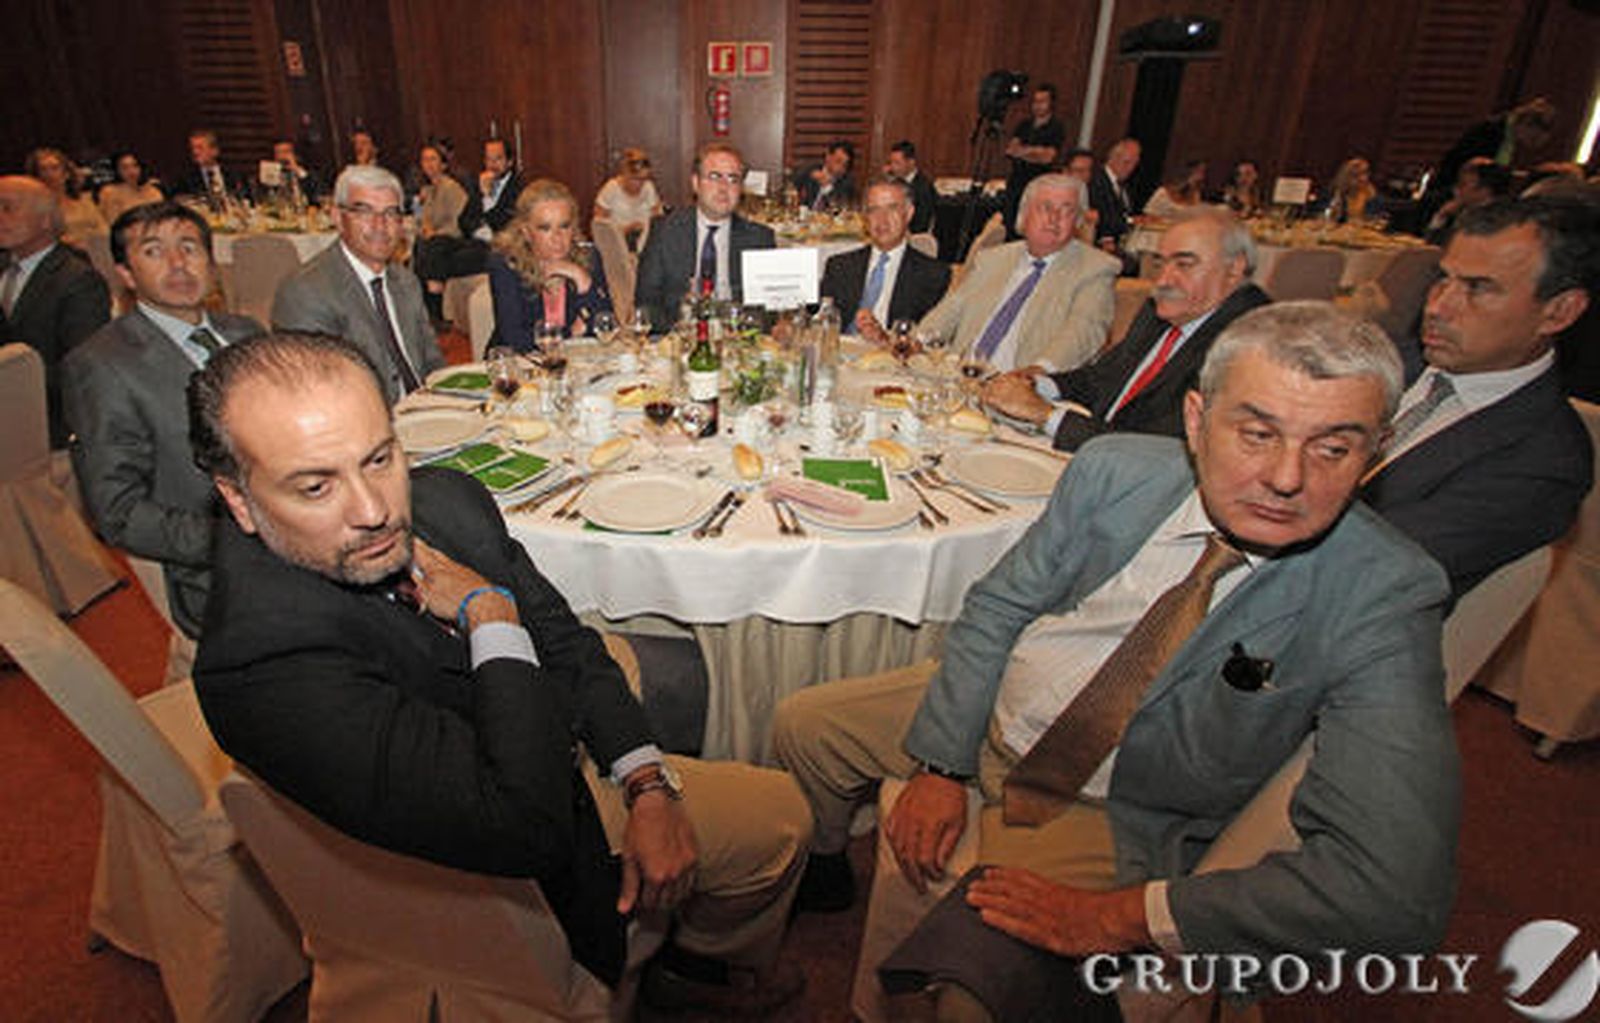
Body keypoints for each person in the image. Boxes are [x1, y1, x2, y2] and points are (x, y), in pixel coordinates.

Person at [773, 301, 1458, 1022]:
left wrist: (1125, 917)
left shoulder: (1383, 592)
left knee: (974, 1003)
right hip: (998, 701)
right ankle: (826, 878)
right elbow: (1000, 607)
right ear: (1196, 421)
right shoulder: (1114, 470)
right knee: (802, 726)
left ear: (1374, 453)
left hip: (1101, 799)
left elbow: (1397, 892)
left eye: (1332, 449)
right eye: (1257, 433)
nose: (1287, 477)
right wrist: (943, 762)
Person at [187, 332, 811, 1013]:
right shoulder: (264, 662)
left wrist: (646, 780)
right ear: (240, 500)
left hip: (555, 757)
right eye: (315, 485)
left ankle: (687, 954)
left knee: (771, 797)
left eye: (379, 457)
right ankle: (648, 965)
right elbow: (526, 825)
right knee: (776, 821)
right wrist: (491, 615)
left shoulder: (447, 500)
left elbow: (567, 642)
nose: (373, 511)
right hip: (510, 874)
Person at [1362, 196, 1595, 600]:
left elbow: (1367, 564)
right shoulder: (1391, 358)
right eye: (1442, 279)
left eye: (1478, 289)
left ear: (1559, 312)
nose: (1437, 307)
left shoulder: (1545, 461)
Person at [62, 202, 264, 650]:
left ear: (211, 263)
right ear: (127, 274)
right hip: (220, 570)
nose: (178, 264)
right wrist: (243, 538)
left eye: (189, 248)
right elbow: (119, 513)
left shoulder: (246, 332)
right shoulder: (102, 365)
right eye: (154, 252)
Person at [981, 207, 1270, 451]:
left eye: (1184, 264)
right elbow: (1103, 377)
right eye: (1161, 263)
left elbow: (1162, 450)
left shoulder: (1247, 345)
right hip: (1092, 453)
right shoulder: (1164, 310)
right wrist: (1036, 384)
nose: (1163, 281)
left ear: (1234, 269)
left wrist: (1045, 415)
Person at [270, 165, 443, 400]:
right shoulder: (305, 292)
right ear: (338, 218)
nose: (380, 225)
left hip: (426, 414)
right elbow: (316, 395)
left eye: (391, 213)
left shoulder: (406, 281)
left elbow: (433, 362)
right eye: (364, 211)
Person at [916, 173, 1116, 373]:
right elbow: (953, 308)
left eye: (1067, 210)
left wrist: (1038, 371)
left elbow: (1083, 331)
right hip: (960, 374)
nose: (1054, 218)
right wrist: (917, 340)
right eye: (1045, 207)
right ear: (1024, 214)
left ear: (1078, 221)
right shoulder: (993, 258)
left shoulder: (1095, 268)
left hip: (1018, 384)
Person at [0, 175, 111, 448]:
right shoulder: (4, 266)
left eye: (7, 208)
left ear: (46, 220)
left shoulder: (77, 280)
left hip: (47, 424)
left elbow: (80, 370)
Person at [636, 142, 776, 331]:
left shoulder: (759, 238)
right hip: (679, 338)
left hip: (736, 342)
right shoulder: (665, 231)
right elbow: (646, 300)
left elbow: (768, 310)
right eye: (715, 176)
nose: (724, 187)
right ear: (696, 183)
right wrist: (678, 332)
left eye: (733, 179)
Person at [487, 179, 613, 350]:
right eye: (545, 228)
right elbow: (514, 339)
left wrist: (580, 277)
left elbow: (606, 327)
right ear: (526, 231)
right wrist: (571, 333)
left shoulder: (589, 257)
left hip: (576, 364)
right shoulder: (506, 263)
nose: (557, 238)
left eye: (564, 226)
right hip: (518, 365)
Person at [820, 177, 950, 342]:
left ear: (909, 213)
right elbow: (820, 323)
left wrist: (885, 339)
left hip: (892, 361)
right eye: (874, 210)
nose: (882, 220)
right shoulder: (839, 266)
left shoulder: (933, 275)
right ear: (865, 218)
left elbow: (929, 339)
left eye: (892, 208)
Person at [411, 142, 468, 323]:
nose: (428, 164)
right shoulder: (428, 190)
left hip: (453, 238)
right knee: (419, 245)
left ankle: (435, 308)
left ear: (443, 164)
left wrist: (435, 232)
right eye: (424, 160)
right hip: (434, 239)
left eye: (433, 159)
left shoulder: (451, 188)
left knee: (432, 247)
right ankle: (423, 306)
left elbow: (459, 222)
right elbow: (425, 221)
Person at [1002, 84, 1065, 237]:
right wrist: (1034, 151)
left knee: (1030, 225)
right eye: (1035, 101)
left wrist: (1025, 151)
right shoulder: (1024, 125)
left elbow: (1047, 157)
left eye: (1042, 101)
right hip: (1017, 183)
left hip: (1038, 184)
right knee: (1010, 224)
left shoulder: (1056, 128)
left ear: (1051, 104)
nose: (1037, 105)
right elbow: (1011, 149)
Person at [26, 147, 107, 249]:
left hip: (97, 253)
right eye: (43, 169)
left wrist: (88, 242)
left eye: (54, 168)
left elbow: (104, 230)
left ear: (66, 174)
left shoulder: (84, 200)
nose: (49, 174)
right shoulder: (35, 208)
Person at [1423, 157, 1512, 243]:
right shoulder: (1466, 210)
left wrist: (1442, 215)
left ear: (1484, 190)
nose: (1456, 190)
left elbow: (1442, 246)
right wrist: (1442, 215)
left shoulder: (1493, 220)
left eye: (1463, 185)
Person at [593, 148, 663, 252]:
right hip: (617, 244)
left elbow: (657, 218)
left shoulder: (648, 188)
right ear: (625, 174)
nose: (639, 184)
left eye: (643, 179)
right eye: (635, 179)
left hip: (645, 243)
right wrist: (624, 230)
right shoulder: (611, 189)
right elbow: (600, 226)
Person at [459, 137, 522, 244]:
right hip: (477, 243)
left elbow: (503, 224)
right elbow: (463, 220)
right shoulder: (480, 183)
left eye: (498, 159)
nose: (492, 164)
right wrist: (478, 232)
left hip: (504, 245)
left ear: (510, 162)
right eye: (488, 159)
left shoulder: (519, 188)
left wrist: (487, 197)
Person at [1087, 137, 1140, 255]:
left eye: (1134, 164)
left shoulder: (1123, 186)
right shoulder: (1097, 181)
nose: (1130, 168)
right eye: (1126, 162)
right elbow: (1103, 217)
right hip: (1102, 242)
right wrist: (1131, 221)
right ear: (1112, 158)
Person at [174, 129, 239, 206]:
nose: (195, 152)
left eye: (200, 148)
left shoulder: (235, 176)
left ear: (215, 151)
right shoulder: (185, 181)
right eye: (193, 148)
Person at [885, 140, 938, 234]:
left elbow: (921, 225)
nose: (892, 168)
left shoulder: (923, 187)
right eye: (891, 163)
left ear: (911, 162)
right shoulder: (895, 181)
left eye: (897, 163)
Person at [97, 151, 164, 224]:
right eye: (124, 168)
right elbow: (113, 222)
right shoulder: (109, 192)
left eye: (135, 166)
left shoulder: (153, 190)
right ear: (116, 171)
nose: (131, 171)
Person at [794, 140, 857, 211]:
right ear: (828, 156)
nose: (840, 167)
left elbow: (840, 208)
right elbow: (790, 188)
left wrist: (827, 187)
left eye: (844, 165)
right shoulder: (809, 171)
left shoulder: (847, 183)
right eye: (838, 161)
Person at [1140, 159, 1207, 219]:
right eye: (1199, 171)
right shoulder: (1163, 192)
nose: (1202, 176)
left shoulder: (1196, 194)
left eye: (1203, 172)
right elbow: (1148, 215)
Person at [270, 139, 324, 205]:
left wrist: (296, 168)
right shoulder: (272, 172)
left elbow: (316, 190)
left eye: (286, 152)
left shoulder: (305, 169)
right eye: (279, 152)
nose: (283, 156)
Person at [1325, 157, 1377, 223]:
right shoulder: (1336, 193)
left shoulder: (1369, 192)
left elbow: (1373, 218)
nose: (1363, 178)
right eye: (1356, 175)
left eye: (1365, 173)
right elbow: (1328, 216)